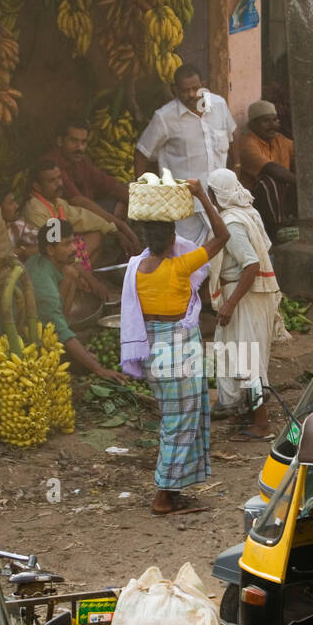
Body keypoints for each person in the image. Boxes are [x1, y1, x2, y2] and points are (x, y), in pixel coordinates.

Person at [119, 179, 230, 516]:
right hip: (177, 349)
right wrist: (201, 197)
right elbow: (222, 236)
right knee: (181, 421)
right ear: (172, 241)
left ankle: (174, 490)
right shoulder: (180, 265)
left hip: (153, 348)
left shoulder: (136, 268)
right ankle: (164, 496)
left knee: (175, 418)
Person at [206, 169, 282, 440]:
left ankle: (261, 424)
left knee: (247, 361)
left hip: (244, 295)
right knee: (238, 355)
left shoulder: (233, 222)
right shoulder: (247, 212)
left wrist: (230, 303)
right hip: (251, 294)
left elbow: (251, 264)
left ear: (217, 195)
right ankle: (244, 413)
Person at [134, 64, 237, 246]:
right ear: (175, 91)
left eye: (195, 89)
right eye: (185, 91)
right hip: (186, 209)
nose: (191, 95)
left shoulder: (219, 105)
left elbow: (232, 141)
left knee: (225, 258)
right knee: (189, 260)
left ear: (203, 85)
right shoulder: (165, 117)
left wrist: (237, 173)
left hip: (221, 201)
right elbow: (142, 153)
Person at [25, 220, 127, 384]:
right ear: (51, 250)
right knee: (83, 362)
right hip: (29, 345)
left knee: (71, 273)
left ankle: (69, 350)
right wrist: (98, 369)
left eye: (72, 241)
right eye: (66, 244)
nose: (74, 248)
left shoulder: (43, 259)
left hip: (44, 323)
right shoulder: (45, 289)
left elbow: (75, 265)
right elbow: (62, 332)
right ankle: (60, 352)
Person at [21, 159, 116, 300]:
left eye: (59, 178)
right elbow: (55, 251)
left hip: (59, 252)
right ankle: (78, 286)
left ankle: (81, 284)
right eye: (52, 181)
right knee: (70, 271)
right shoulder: (35, 209)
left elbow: (84, 218)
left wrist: (115, 229)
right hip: (44, 260)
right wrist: (92, 280)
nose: (59, 183)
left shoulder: (57, 202)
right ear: (37, 187)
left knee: (97, 234)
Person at [43, 119, 138, 254]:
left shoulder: (81, 161)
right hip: (65, 219)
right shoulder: (52, 164)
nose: (80, 147)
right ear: (60, 141)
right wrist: (120, 225)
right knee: (106, 226)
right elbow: (79, 201)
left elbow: (111, 185)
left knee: (126, 199)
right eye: (73, 141)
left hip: (84, 211)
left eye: (83, 142)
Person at [234, 100, 297, 243]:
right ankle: (277, 229)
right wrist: (304, 183)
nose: (272, 125)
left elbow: (305, 158)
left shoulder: (280, 140)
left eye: (274, 120)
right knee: (269, 181)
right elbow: (271, 169)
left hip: (280, 198)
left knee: (293, 181)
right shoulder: (247, 143)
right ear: (253, 124)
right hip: (253, 202)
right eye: (266, 121)